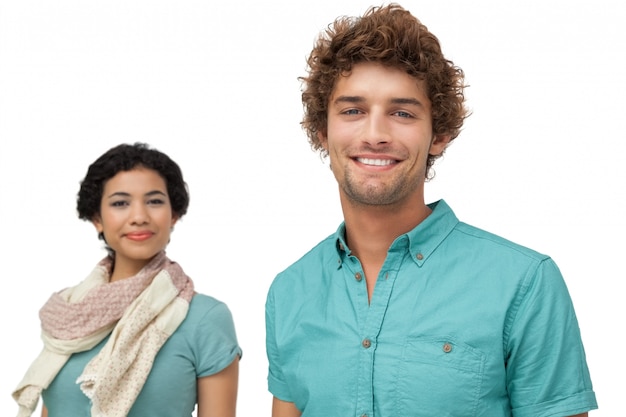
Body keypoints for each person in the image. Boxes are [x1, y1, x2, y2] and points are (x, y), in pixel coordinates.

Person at [265, 4, 597, 417]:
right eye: (352, 110)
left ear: (439, 134)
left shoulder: (524, 284)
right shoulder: (289, 292)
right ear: (322, 130)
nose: (375, 134)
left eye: (402, 112)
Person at [13, 143, 241, 417]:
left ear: (174, 215)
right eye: (120, 203)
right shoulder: (69, 313)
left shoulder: (204, 318)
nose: (139, 217)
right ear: (97, 218)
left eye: (155, 201)